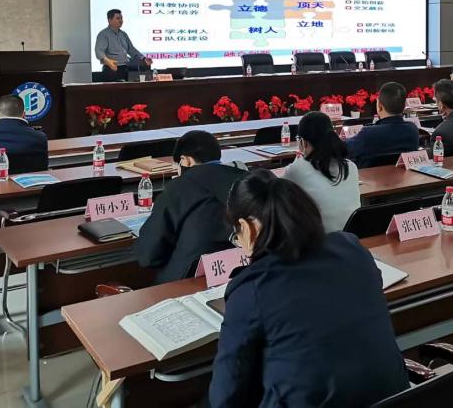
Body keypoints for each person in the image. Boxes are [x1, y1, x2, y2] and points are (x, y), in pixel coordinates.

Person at [208, 169, 408, 407]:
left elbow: (226, 397)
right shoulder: (352, 248)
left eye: (236, 234)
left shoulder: (252, 288)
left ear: (248, 228)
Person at [135, 130, 245, 283]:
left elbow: (148, 256)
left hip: (184, 280)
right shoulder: (245, 180)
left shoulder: (178, 187)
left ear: (185, 161)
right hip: (239, 273)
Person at [283, 111, 360, 232]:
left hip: (318, 240)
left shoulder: (296, 170)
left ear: (303, 142)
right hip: (351, 237)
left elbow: (280, 201)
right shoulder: (351, 167)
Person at [345, 82, 420, 167]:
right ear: (404, 106)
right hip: (403, 175)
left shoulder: (369, 133)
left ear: (380, 106)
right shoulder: (412, 130)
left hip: (368, 175)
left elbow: (344, 150)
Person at [94, 9, 153, 81]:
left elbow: (131, 49)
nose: (121, 21)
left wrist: (143, 58)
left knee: (143, 68)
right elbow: (99, 51)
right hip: (112, 69)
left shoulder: (123, 34)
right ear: (110, 20)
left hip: (125, 67)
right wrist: (108, 61)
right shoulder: (103, 34)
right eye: (118, 18)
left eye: (121, 18)